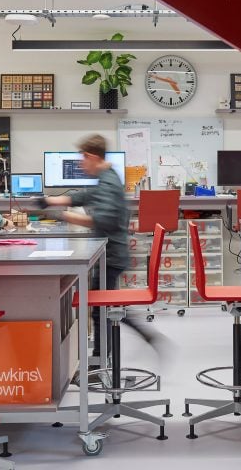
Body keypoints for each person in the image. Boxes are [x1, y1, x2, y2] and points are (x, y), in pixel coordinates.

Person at [44, 134, 156, 356]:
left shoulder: (109, 182)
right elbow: (86, 196)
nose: (81, 166)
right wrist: (51, 200)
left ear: (92, 157)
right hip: (111, 253)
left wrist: (62, 215)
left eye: (82, 160)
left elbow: (102, 220)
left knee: (100, 308)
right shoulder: (107, 177)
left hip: (111, 256)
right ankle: (111, 352)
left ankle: (101, 358)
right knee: (104, 305)